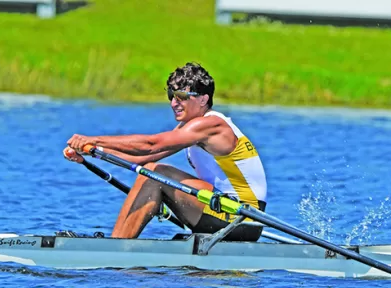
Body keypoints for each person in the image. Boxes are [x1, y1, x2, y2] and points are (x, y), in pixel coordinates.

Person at [64, 62, 267, 241]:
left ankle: (117, 246)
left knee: (157, 173)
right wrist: (93, 151)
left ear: (203, 99)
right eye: (171, 95)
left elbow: (151, 144)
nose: (173, 103)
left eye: (181, 96)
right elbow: (144, 156)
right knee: (152, 170)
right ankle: (117, 243)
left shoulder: (212, 125)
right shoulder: (190, 128)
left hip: (242, 218)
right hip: (221, 211)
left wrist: (94, 138)